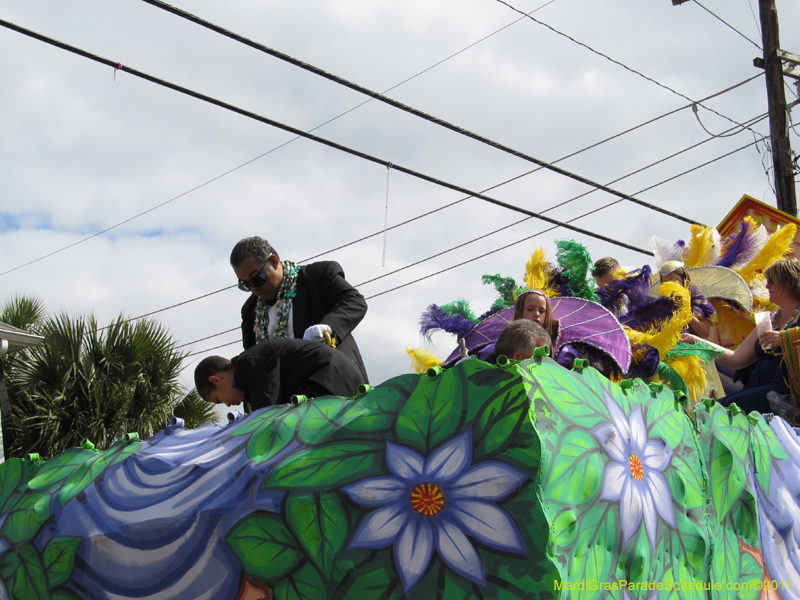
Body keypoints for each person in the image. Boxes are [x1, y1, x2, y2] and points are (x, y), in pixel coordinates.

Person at [230, 236, 369, 382]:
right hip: (288, 394)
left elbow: (354, 301)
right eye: (245, 285)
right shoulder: (250, 310)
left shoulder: (317, 277)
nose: (254, 289)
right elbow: (252, 359)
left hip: (336, 382)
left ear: (274, 262)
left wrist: (328, 329)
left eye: (257, 279)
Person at [682, 258, 800, 414]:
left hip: (786, 396)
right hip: (761, 392)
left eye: (771, 281)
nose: (767, 286)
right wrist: (696, 341)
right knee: (707, 410)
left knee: (713, 412)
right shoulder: (768, 320)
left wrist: (785, 338)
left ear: (789, 283)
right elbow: (736, 359)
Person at [194, 338, 365, 411]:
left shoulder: (246, 366)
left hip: (329, 377)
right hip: (342, 378)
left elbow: (267, 413)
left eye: (218, 400)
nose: (227, 405)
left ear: (215, 380)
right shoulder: (250, 367)